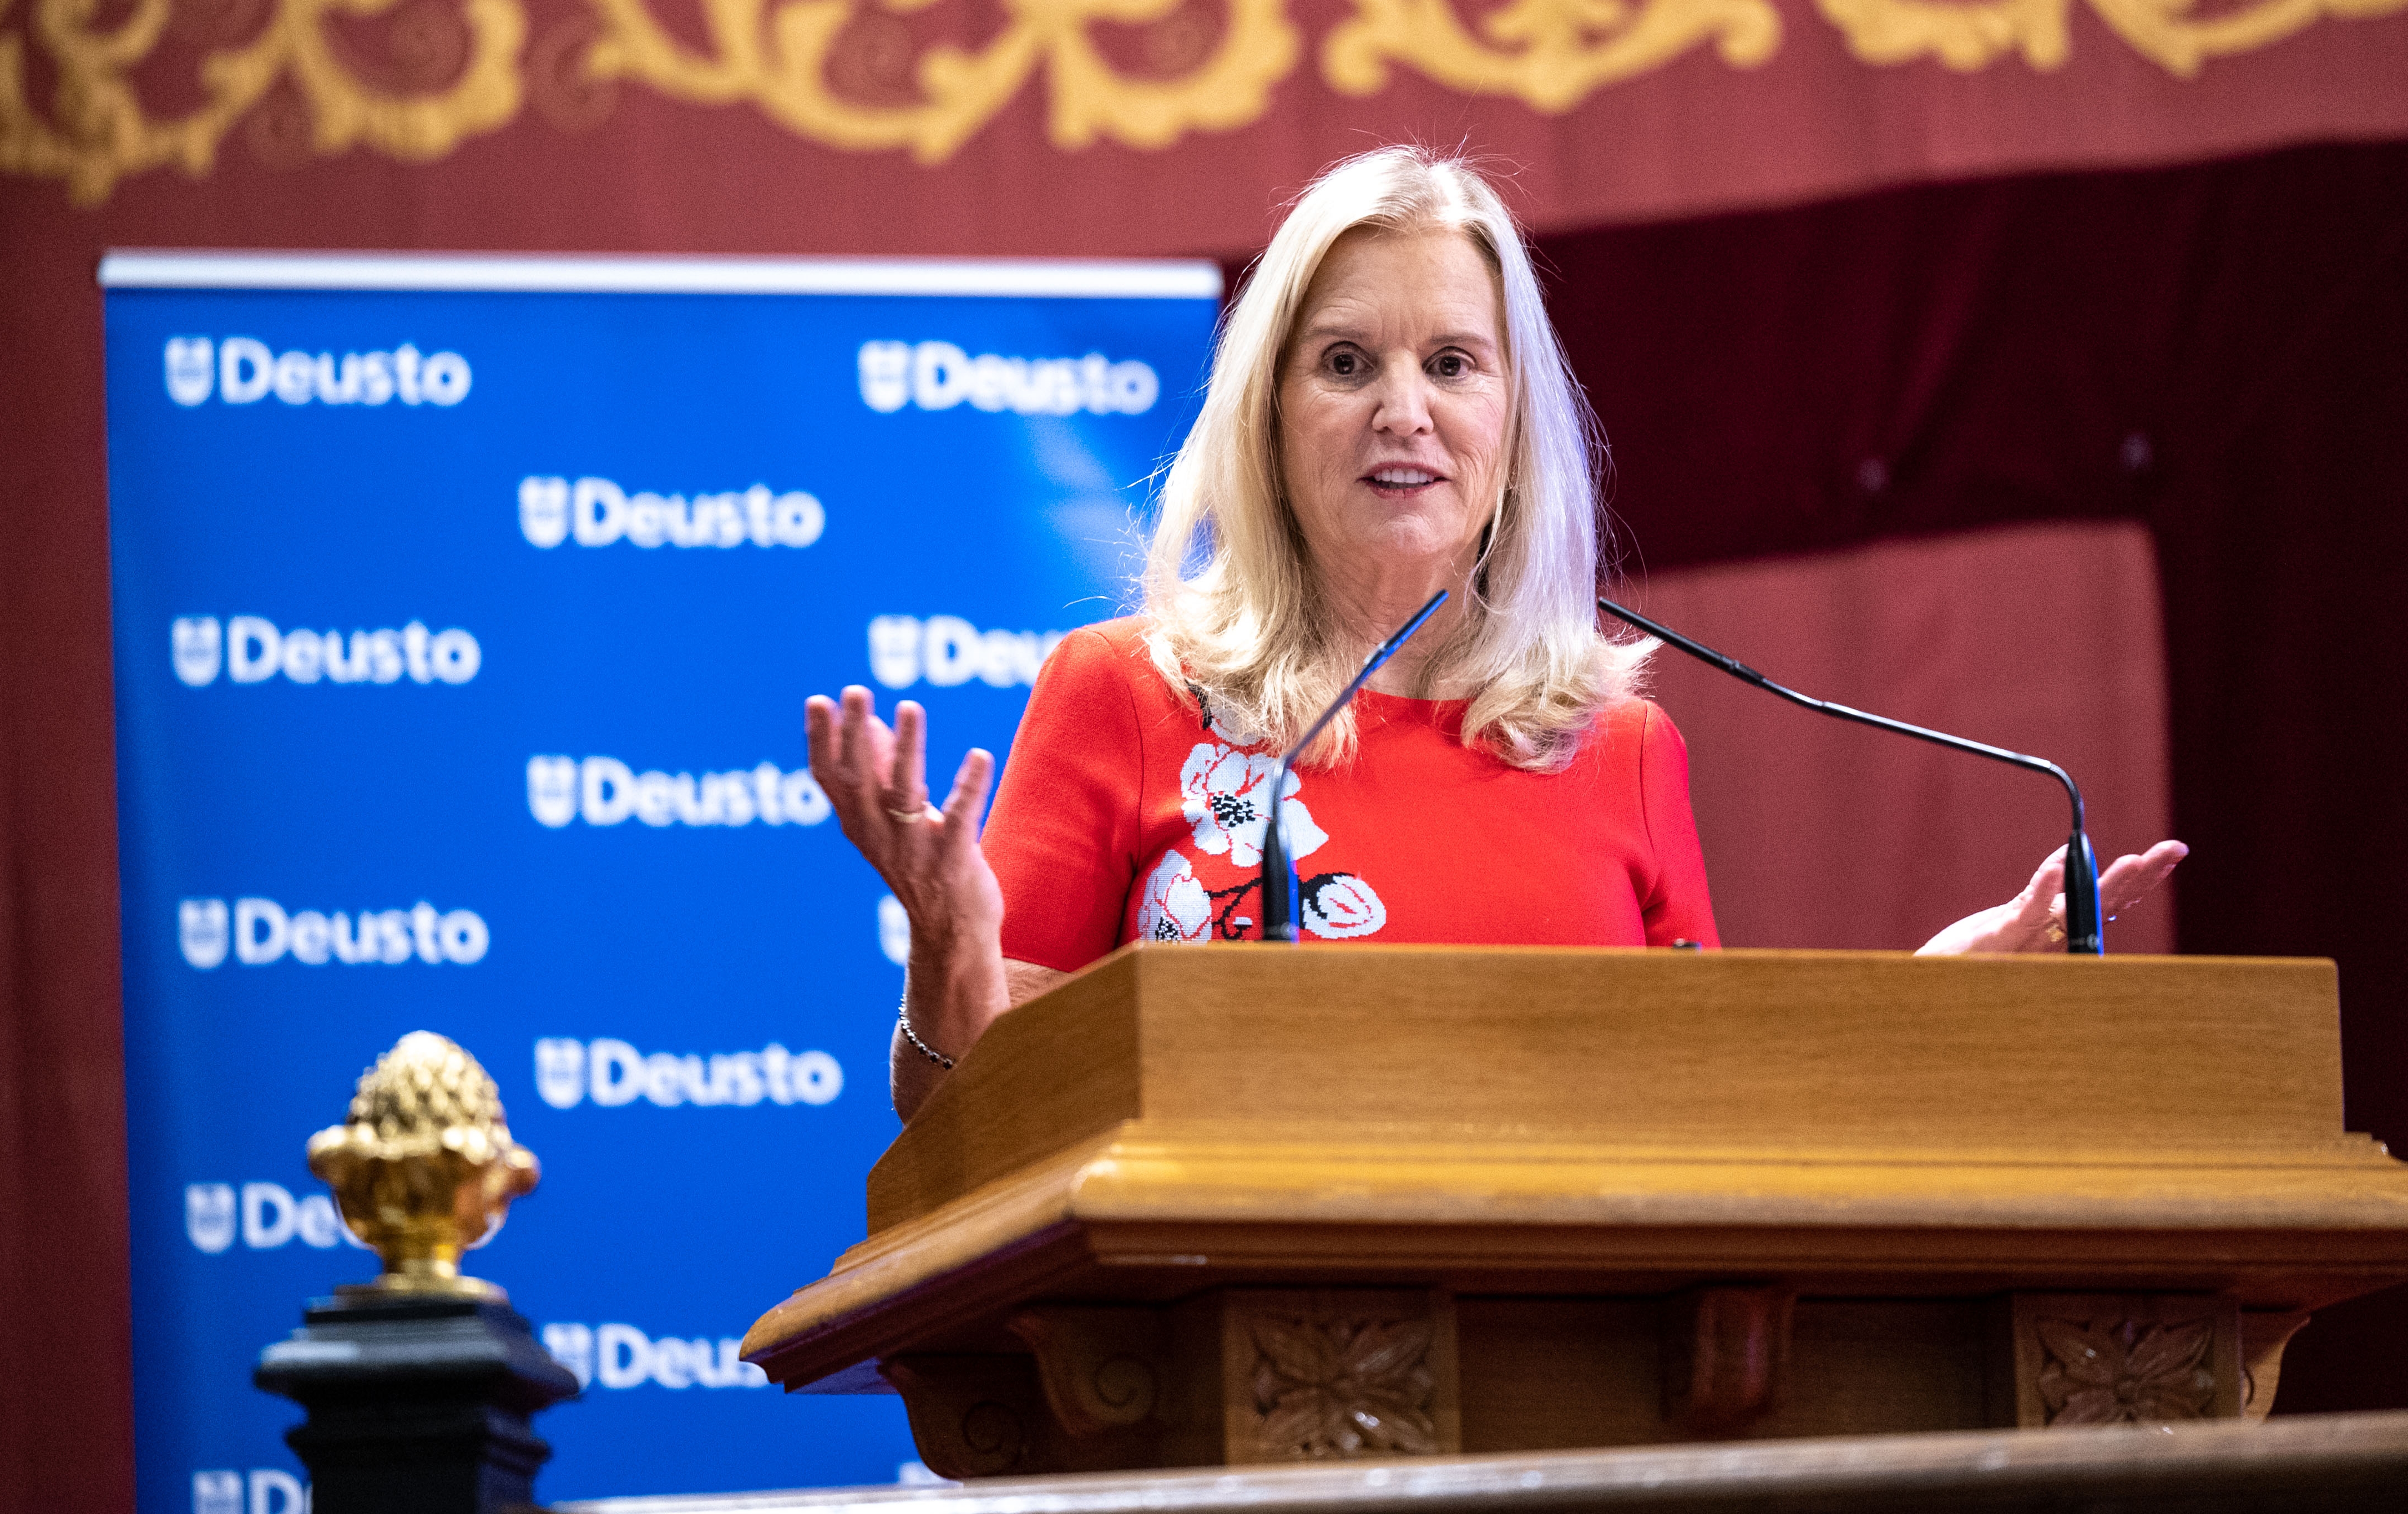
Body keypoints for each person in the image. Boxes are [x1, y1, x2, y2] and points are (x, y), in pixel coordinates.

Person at [806, 149, 2187, 1121]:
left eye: (1449, 363)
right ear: (1267, 418)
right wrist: (948, 941)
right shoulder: (1122, 694)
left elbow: (1707, 1105)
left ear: (1509, 427)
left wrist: (1917, 1011)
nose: (1401, 408)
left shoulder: (1621, 743)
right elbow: (960, 1117)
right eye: (1345, 362)